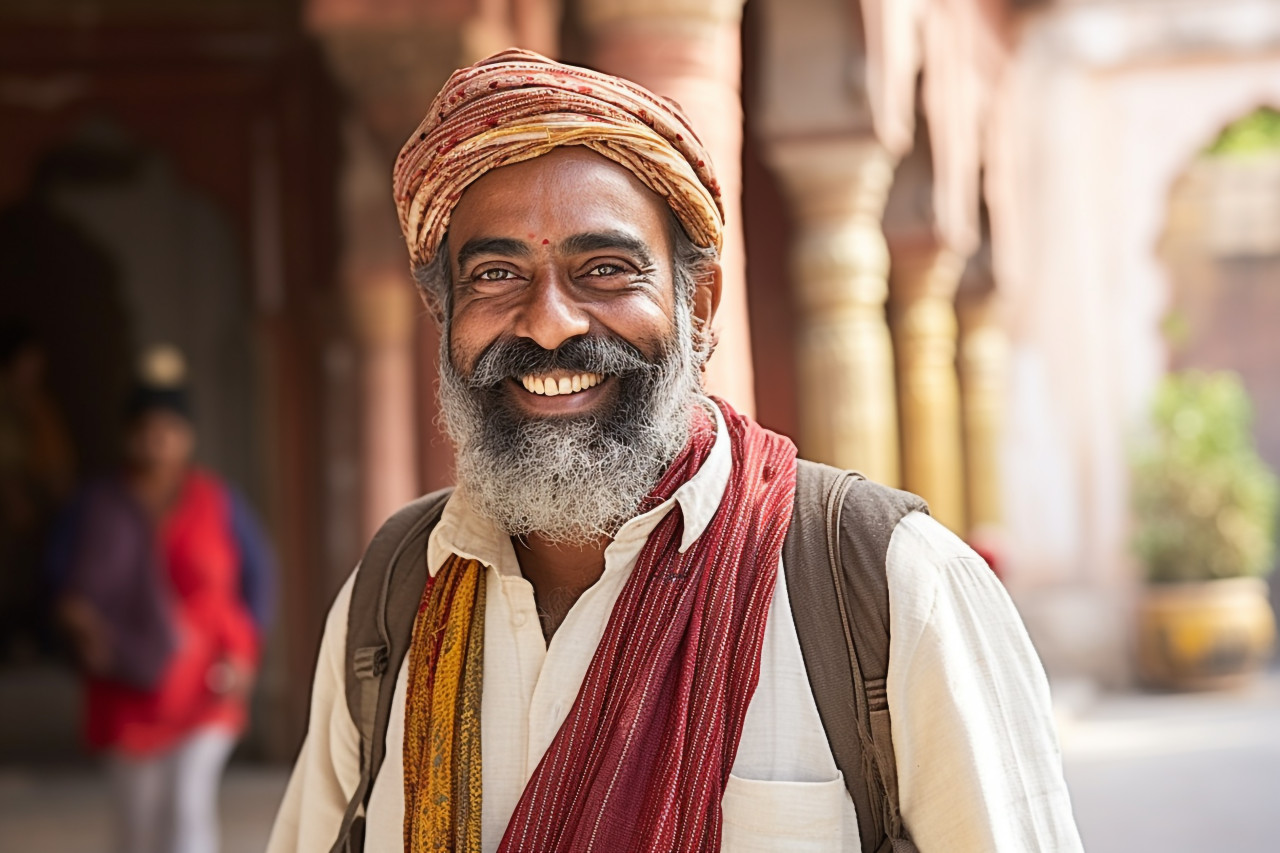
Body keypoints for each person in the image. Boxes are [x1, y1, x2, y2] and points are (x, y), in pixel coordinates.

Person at [269, 49, 1083, 853]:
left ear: (699, 305)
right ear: (442, 314)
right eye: (495, 275)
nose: (549, 323)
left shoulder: (892, 586)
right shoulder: (394, 594)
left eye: (606, 268)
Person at [54, 345, 271, 853]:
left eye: (168, 429)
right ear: (127, 435)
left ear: (187, 436)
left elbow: (260, 578)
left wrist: (246, 652)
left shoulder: (219, 501)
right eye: (145, 429)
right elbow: (59, 584)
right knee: (137, 825)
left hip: (207, 681)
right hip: (128, 682)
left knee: (188, 810)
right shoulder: (97, 505)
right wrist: (78, 628)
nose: (156, 440)